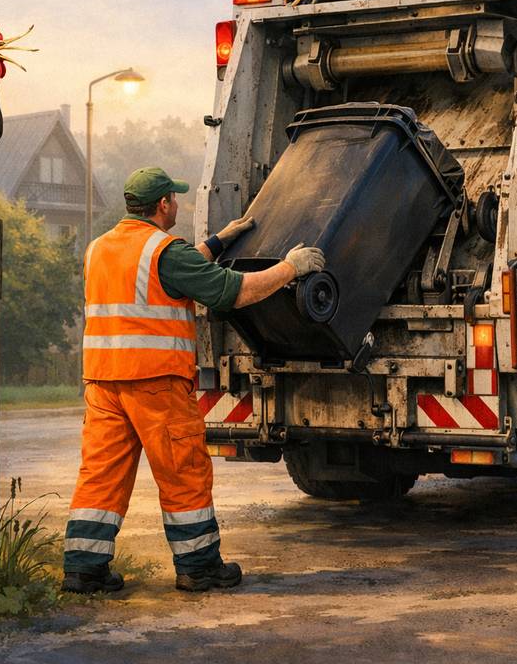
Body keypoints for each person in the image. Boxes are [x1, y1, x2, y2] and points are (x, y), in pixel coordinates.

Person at [62, 166, 325, 594]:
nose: (178, 205)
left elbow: (161, 278)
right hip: (155, 383)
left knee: (101, 474)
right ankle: (199, 568)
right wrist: (290, 268)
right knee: (184, 473)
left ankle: (82, 570)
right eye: (175, 199)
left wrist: (219, 241)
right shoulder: (164, 250)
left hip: (103, 384)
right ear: (164, 204)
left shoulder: (100, 247)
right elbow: (235, 291)